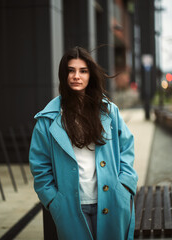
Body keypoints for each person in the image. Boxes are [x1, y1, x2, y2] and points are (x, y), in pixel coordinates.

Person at [29, 46, 138, 240]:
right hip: (70, 207)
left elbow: (126, 148)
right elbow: (39, 165)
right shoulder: (48, 119)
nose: (76, 76)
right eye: (71, 70)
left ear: (90, 76)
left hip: (111, 200)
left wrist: (125, 185)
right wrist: (53, 200)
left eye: (83, 71)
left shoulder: (109, 112)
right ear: (64, 75)